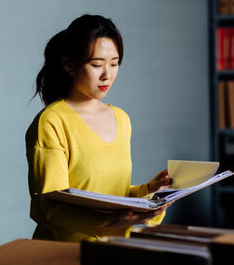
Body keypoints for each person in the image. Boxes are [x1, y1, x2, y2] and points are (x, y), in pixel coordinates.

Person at [26, 14, 171, 242]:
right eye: (96, 64)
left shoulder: (121, 119)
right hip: (62, 253)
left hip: (112, 250)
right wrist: (113, 221)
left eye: (114, 64)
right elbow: (49, 207)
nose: (107, 74)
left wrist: (152, 191)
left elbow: (115, 195)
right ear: (69, 65)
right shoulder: (52, 121)